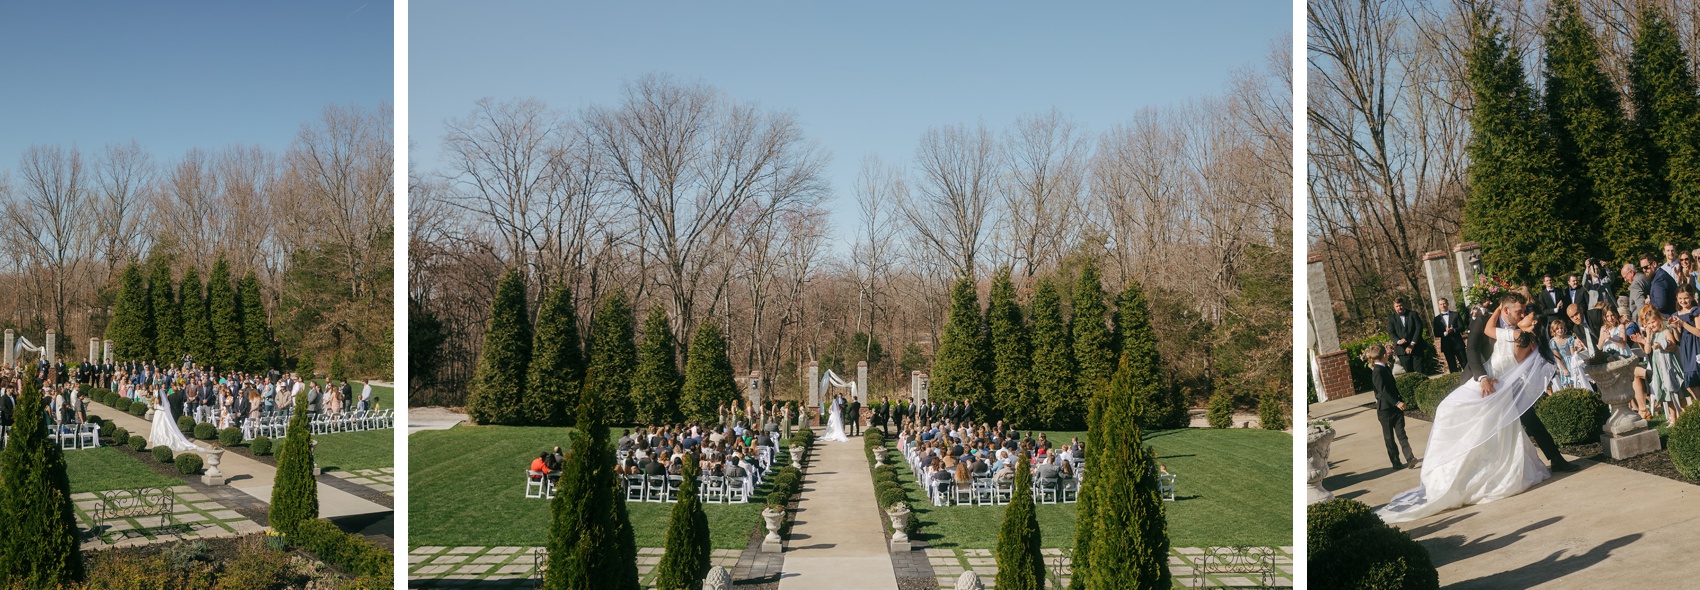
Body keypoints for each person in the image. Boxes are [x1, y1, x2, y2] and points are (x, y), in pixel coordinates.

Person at [1378, 297, 1565, 524]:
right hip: (1484, 379)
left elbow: (1496, 338)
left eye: (1525, 313)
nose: (1522, 313)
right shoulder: (1506, 328)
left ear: (1532, 323)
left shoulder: (1519, 335)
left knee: (1459, 414)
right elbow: (1473, 349)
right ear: (1508, 309)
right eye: (1520, 311)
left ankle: (1475, 475)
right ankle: (1471, 471)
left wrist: (1496, 311)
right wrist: (1483, 375)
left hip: (1496, 385)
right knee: (1474, 422)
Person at [1367, 346, 1416, 470]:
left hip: (1395, 408)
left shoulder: (1385, 368)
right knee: (1389, 437)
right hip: (1385, 410)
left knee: (1402, 434)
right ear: (1384, 355)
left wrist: (1399, 400)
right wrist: (1396, 402)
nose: (1388, 355)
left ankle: (1410, 458)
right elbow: (1382, 391)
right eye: (1387, 354)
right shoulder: (1377, 371)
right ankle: (1396, 461)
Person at [149, 382, 206, 453]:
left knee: (161, 426)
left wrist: (155, 399)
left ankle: (160, 438)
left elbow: (157, 403)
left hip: (160, 413)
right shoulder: (164, 395)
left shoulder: (158, 398)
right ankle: (156, 437)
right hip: (160, 413)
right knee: (159, 426)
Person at [1387, 296, 1426, 374]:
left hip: (1416, 348)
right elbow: (1391, 333)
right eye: (1397, 306)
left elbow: (1419, 328)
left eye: (1400, 305)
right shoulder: (1391, 318)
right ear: (1394, 307)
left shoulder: (1413, 314)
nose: (1399, 308)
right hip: (1402, 350)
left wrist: (1412, 344)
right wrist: (1398, 341)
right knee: (1409, 373)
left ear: (1404, 305)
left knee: (1420, 372)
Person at [1434, 298, 1466, 373]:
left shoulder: (1455, 314)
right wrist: (1445, 333)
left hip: (1458, 343)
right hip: (1447, 345)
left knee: (1465, 363)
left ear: (1448, 304)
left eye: (1444, 303)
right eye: (1441, 304)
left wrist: (1454, 330)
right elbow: (1436, 333)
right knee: (1452, 366)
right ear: (1438, 306)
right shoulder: (1437, 319)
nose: (1443, 306)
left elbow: (1462, 327)